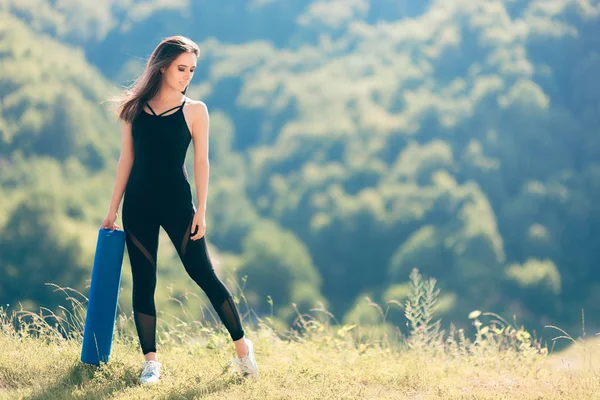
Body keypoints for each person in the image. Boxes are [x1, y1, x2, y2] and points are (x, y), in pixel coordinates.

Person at [100, 35, 258, 384]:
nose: (187, 75)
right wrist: (112, 209)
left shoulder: (195, 110)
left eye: (192, 70)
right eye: (181, 68)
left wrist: (202, 209)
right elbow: (126, 159)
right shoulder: (134, 108)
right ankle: (151, 363)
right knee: (144, 281)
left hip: (178, 206)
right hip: (138, 206)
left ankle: (244, 353)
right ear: (162, 66)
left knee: (203, 274)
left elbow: (202, 163)